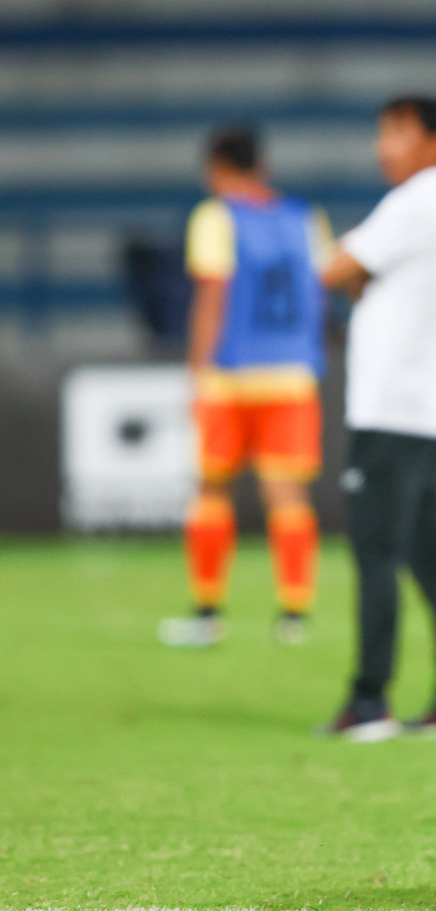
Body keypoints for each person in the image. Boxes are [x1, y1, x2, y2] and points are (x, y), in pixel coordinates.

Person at [317, 97, 436, 741]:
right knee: (431, 556)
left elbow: (334, 268)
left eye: (395, 132)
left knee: (375, 553)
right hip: (430, 407)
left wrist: (355, 282)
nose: (381, 146)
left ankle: (368, 701)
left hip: (391, 408)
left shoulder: (418, 202)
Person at [159, 125, 329, 649]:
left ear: (216, 166)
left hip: (231, 372)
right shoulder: (306, 218)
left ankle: (208, 612)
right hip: (293, 374)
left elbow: (214, 292)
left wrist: (196, 367)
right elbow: (320, 293)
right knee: (287, 493)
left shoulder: (216, 216)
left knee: (212, 488)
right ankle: (294, 614)